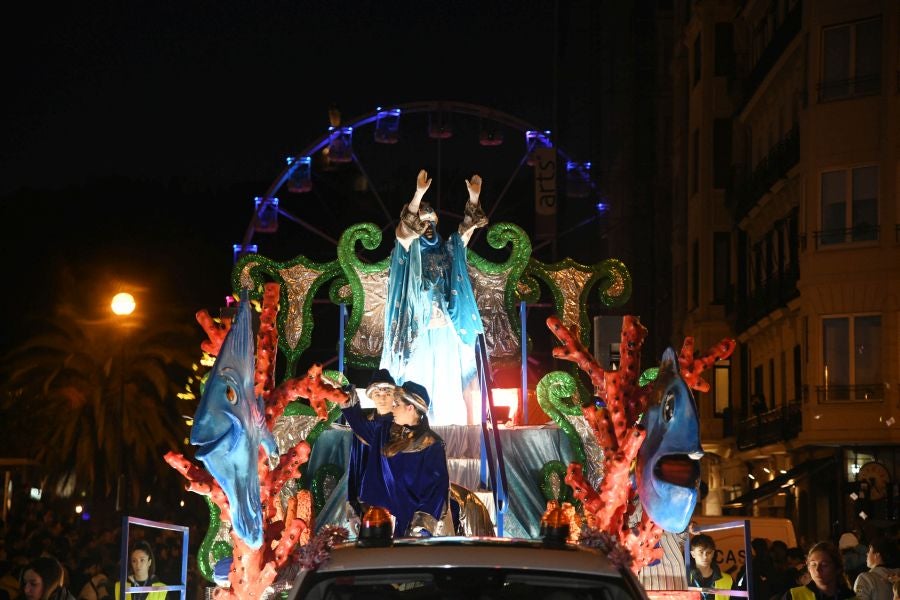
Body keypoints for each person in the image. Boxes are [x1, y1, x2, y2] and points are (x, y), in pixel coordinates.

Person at [380, 169, 488, 425]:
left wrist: (473, 200)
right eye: (423, 223)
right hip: (417, 330)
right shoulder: (408, 251)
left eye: (431, 223)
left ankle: (448, 429)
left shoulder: (447, 249)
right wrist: (418, 195)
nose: (428, 228)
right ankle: (414, 427)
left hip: (445, 328)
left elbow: (465, 233)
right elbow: (402, 233)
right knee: (418, 381)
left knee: (446, 381)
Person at [339, 380, 451, 537]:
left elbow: (436, 490)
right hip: (382, 521)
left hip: (411, 527)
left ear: (410, 408)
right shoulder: (385, 431)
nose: (392, 408)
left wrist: (420, 527)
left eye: (396, 404)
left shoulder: (431, 444)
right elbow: (360, 425)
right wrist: (344, 396)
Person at [346, 369, 398, 521]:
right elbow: (355, 463)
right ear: (371, 396)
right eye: (377, 394)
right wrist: (352, 499)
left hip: (395, 497)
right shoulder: (363, 425)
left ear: (394, 396)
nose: (382, 398)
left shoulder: (401, 425)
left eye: (387, 393)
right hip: (367, 499)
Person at [782, 541, 854, 600]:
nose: (817, 569)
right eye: (813, 564)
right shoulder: (793, 596)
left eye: (824, 565)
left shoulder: (851, 597)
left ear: (838, 569)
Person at [689, 534, 733, 600]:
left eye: (708, 552)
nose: (705, 556)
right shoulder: (684, 579)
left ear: (713, 553)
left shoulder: (728, 580)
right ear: (693, 554)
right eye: (701, 552)